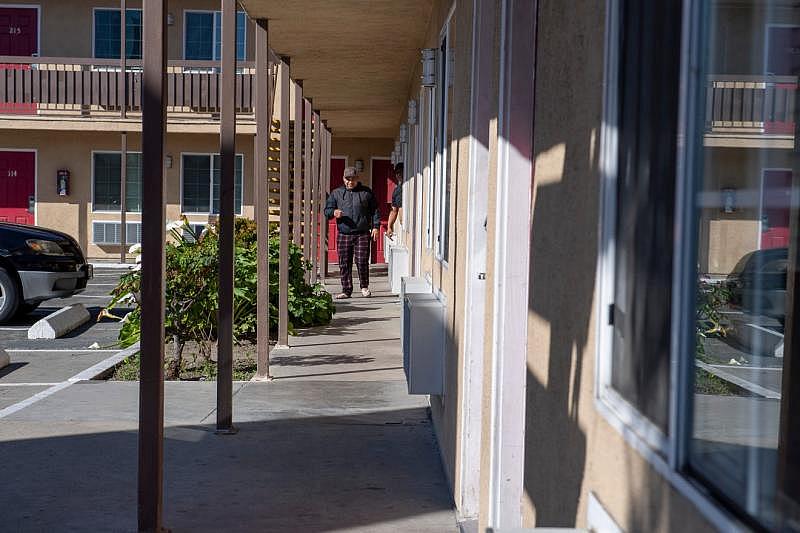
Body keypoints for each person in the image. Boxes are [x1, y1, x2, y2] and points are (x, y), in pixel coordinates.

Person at [324, 166, 380, 299]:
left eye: (353, 179)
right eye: (347, 179)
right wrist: (334, 212)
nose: (350, 182)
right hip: (344, 233)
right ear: (343, 179)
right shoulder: (336, 193)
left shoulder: (366, 193)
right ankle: (346, 290)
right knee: (344, 262)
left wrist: (376, 226)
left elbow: (375, 210)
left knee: (362, 261)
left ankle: (364, 287)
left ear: (357, 179)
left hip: (362, 233)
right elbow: (327, 210)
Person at [386, 163, 403, 240]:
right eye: (397, 173)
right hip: (404, 227)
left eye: (401, 172)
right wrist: (389, 226)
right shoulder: (396, 190)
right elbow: (394, 211)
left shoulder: (410, 187)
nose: (399, 175)